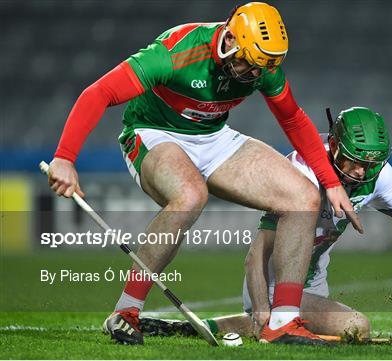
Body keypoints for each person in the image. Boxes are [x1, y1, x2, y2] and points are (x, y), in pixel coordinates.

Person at [46, 2, 362, 346]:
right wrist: (65, 157)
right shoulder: (177, 51)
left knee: (304, 195)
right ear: (229, 40)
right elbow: (100, 93)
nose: (253, 75)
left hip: (212, 135)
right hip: (153, 131)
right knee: (190, 196)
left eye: (260, 69)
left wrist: (331, 183)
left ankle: (282, 323)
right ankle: (126, 311)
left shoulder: (261, 61)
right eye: (247, 64)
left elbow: (292, 119)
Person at [139, 106, 392, 342]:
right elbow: (256, 254)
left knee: (283, 325)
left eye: (371, 164)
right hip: (272, 282)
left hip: (313, 283)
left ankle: (195, 327)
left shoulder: (376, 175)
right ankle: (259, 320)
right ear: (332, 145)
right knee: (357, 328)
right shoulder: (300, 170)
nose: (361, 172)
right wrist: (263, 306)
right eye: (353, 161)